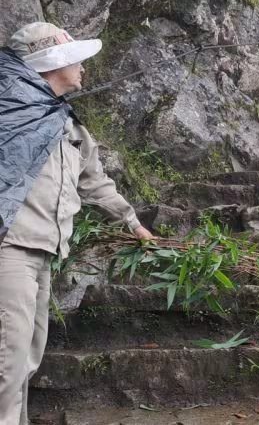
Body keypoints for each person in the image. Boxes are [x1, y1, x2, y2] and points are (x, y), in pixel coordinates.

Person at [0, 22, 153, 423]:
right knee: (6, 360)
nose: (83, 67)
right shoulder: (7, 110)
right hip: (9, 249)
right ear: (51, 63)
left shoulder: (68, 123)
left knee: (28, 357)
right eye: (75, 59)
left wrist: (131, 221)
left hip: (45, 253)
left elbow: (94, 180)